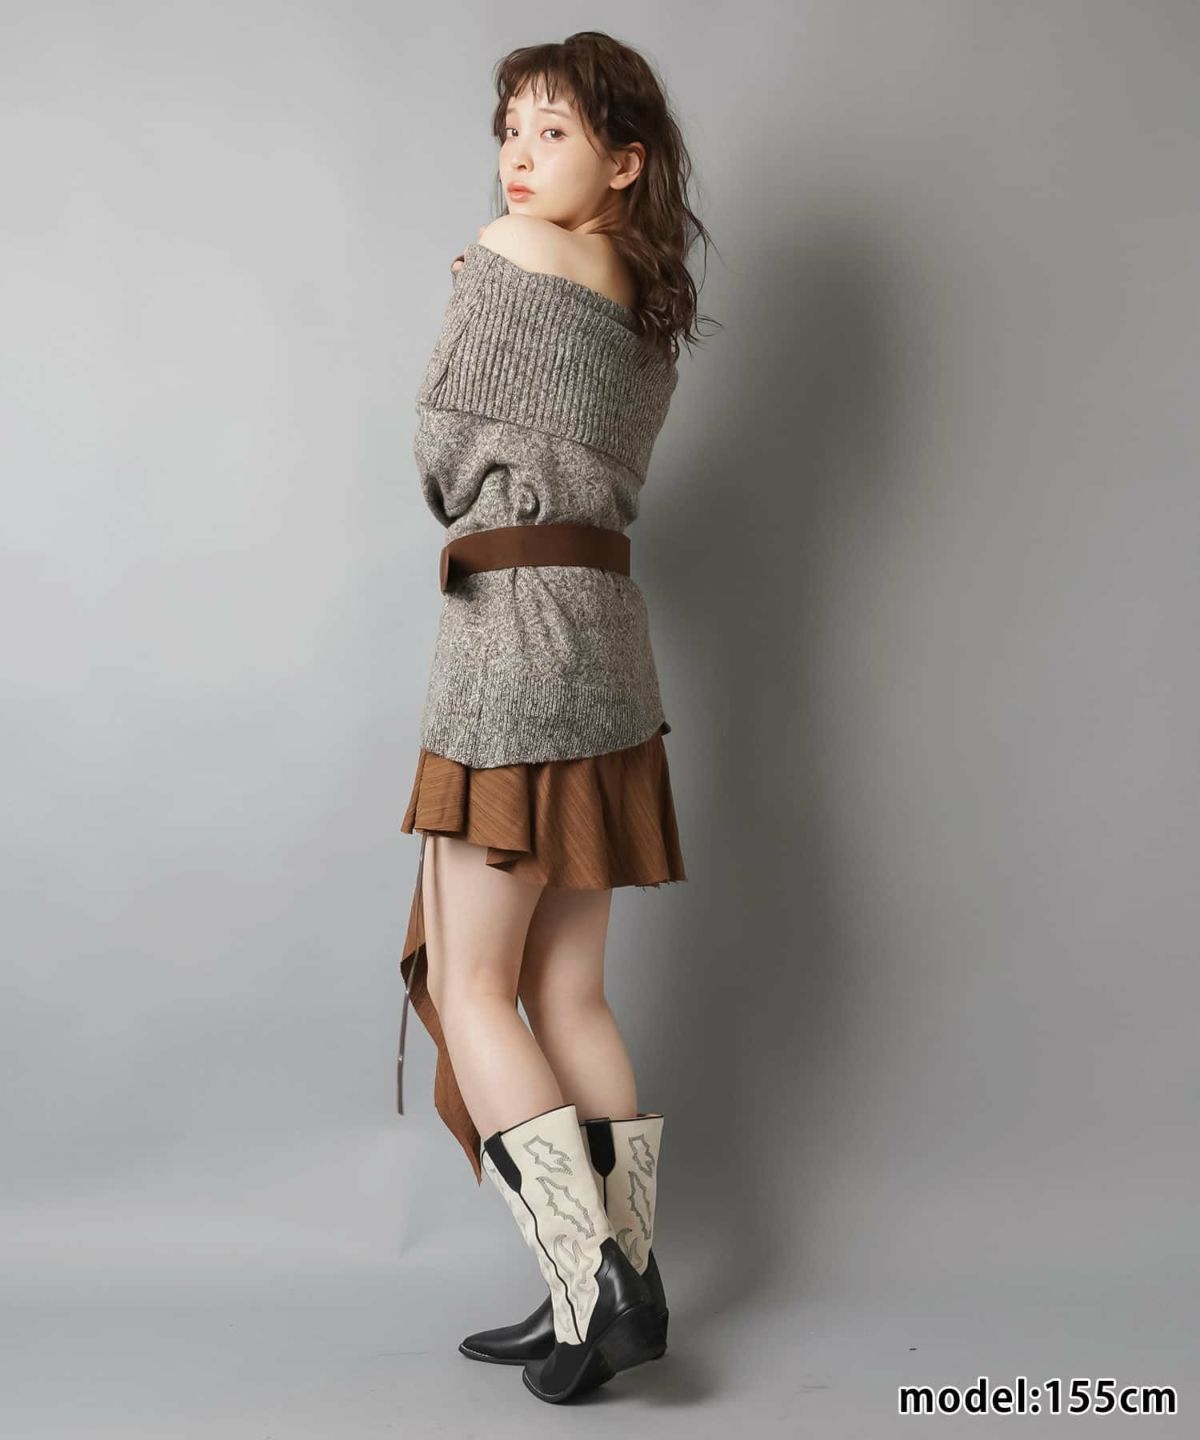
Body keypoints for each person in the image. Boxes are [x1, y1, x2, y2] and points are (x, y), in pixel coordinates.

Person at [396, 31, 717, 1404]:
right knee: (568, 989)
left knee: (473, 987)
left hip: (514, 645)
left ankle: (593, 1283)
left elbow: (440, 455)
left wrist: (479, 282)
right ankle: (618, 1278)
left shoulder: (510, 254)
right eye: (510, 131)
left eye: (553, 132)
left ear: (623, 160)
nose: (517, 158)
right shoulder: (650, 308)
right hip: (608, 648)